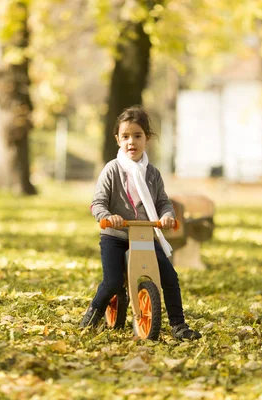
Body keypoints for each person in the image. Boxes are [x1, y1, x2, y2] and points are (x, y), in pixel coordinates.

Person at [80, 105, 202, 341]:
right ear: (117, 140)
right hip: (115, 237)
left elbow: (163, 202)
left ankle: (178, 324)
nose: (131, 142)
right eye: (125, 136)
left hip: (145, 238)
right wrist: (107, 217)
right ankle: (94, 311)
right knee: (113, 281)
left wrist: (167, 216)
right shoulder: (112, 170)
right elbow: (97, 203)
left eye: (137, 135)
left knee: (169, 276)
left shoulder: (152, 174)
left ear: (147, 139)